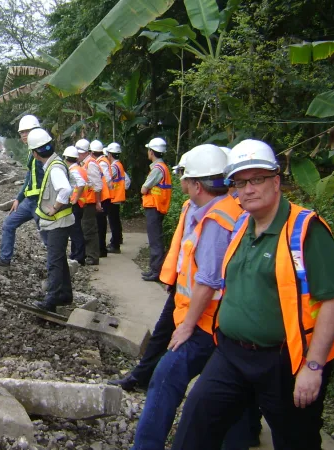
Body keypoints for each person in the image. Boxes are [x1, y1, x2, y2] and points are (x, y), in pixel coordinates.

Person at [172, 139, 334, 450]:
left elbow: (332, 301)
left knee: (296, 440)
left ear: (275, 181)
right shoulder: (242, 224)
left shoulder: (306, 230)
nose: (248, 189)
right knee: (195, 426)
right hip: (231, 354)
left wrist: (314, 366)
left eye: (257, 179)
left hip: (284, 361)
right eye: (240, 183)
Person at [130, 145, 244, 450]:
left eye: (187, 179)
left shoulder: (217, 219)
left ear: (196, 184)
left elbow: (208, 280)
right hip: (213, 320)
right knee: (234, 399)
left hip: (207, 323)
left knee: (167, 378)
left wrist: (187, 325)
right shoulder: (221, 210)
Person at [109, 150, 191, 392]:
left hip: (192, 300)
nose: (181, 180)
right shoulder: (192, 207)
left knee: (155, 242)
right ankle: (142, 376)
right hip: (180, 289)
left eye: (184, 175)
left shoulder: (217, 214)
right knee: (161, 335)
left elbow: (146, 186)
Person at [0, 115, 45, 269]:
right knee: (9, 224)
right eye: (22, 132)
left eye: (27, 131)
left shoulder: (43, 152)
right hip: (30, 201)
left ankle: (57, 274)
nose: (24, 135)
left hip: (41, 202)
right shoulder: (32, 152)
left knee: (48, 237)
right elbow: (29, 179)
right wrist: (18, 198)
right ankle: (4, 260)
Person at [29, 129, 74, 313]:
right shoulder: (55, 164)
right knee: (60, 259)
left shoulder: (54, 168)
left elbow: (65, 190)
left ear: (34, 153)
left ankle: (52, 300)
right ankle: (65, 294)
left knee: (54, 261)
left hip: (58, 222)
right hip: (58, 222)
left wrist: (54, 208)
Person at [140, 137, 172, 282]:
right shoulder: (161, 168)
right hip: (157, 206)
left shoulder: (157, 169)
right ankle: (155, 269)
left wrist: (145, 189)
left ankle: (156, 271)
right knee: (156, 239)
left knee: (155, 240)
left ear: (151, 152)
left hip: (155, 206)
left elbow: (144, 189)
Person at [74, 138, 103, 265]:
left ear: (85, 152)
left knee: (89, 229)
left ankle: (92, 256)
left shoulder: (90, 164)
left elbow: (97, 185)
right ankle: (88, 254)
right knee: (84, 228)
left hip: (90, 202)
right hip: (85, 202)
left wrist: (97, 202)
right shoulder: (83, 163)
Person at [103, 142, 129, 254]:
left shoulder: (114, 166)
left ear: (110, 154)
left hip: (114, 197)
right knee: (115, 221)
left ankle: (115, 244)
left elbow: (107, 178)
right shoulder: (119, 165)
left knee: (113, 221)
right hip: (117, 196)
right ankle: (116, 241)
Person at [63, 146, 87, 264]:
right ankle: (75, 254)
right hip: (80, 203)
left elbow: (81, 184)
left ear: (66, 158)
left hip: (76, 204)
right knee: (75, 230)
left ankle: (79, 257)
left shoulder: (73, 170)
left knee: (75, 231)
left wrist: (75, 199)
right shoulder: (80, 168)